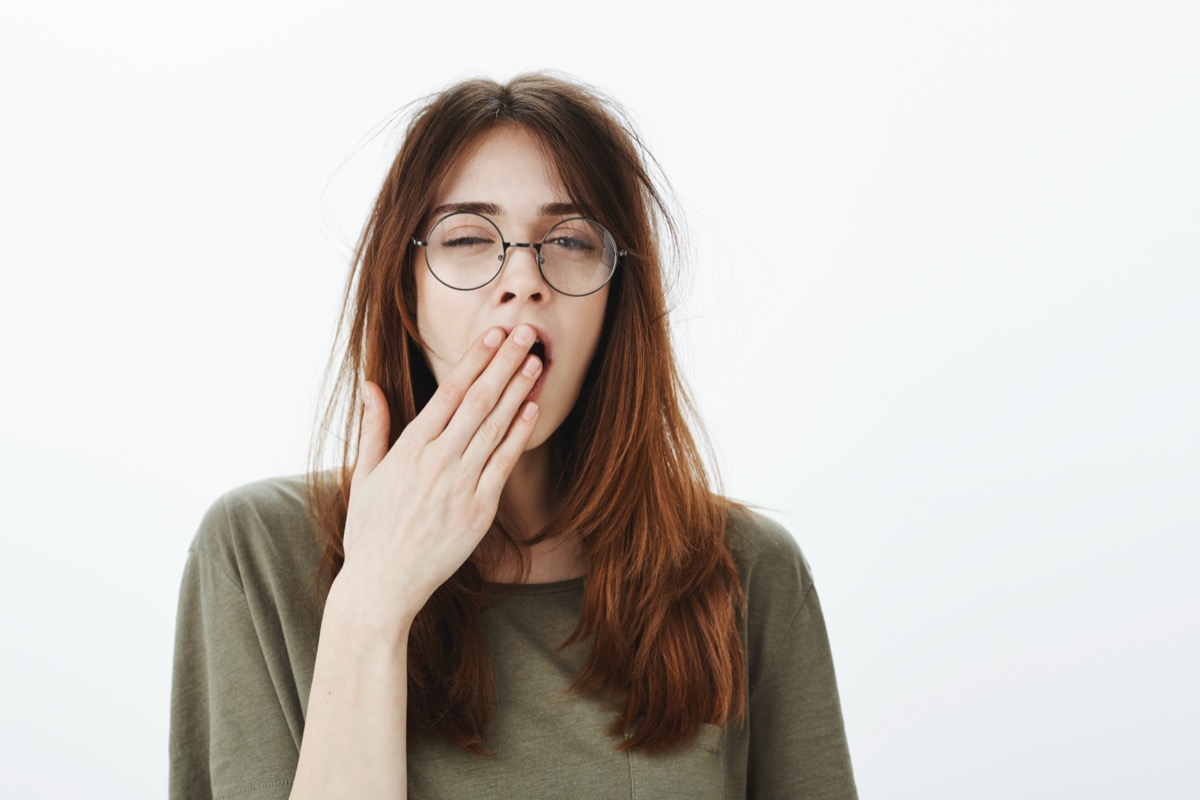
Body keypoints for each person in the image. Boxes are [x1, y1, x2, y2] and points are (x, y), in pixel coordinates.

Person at [169, 73, 858, 800]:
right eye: (468, 237)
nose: (523, 279)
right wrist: (371, 602)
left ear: (617, 299)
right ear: (405, 291)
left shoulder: (748, 572)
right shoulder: (256, 552)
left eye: (569, 240)